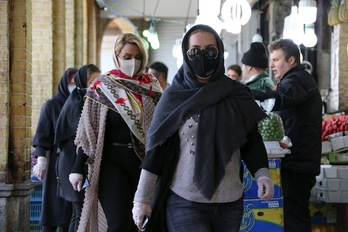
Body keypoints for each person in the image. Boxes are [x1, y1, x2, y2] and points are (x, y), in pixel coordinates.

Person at [131, 24, 274, 232]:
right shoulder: (174, 97)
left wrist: (262, 174)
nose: (203, 56)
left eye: (210, 50)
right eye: (195, 51)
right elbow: (157, 149)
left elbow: (252, 141)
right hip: (184, 200)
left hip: (230, 201)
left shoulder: (236, 94)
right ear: (186, 54)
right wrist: (142, 199)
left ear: (219, 53)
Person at [68, 33, 162, 232]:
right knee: (118, 222)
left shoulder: (152, 87)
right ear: (117, 56)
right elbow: (88, 131)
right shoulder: (102, 87)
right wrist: (77, 167)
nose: (132, 62)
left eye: (137, 57)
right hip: (111, 163)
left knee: (142, 223)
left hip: (145, 164)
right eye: (127, 57)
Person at [251, 38, 322, 232]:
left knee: (295, 218)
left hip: (298, 164)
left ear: (291, 60)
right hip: (297, 162)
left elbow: (281, 98)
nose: (271, 65)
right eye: (271, 59)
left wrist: (250, 95)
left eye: (276, 59)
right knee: (293, 216)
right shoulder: (295, 79)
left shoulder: (297, 80)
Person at [55, 64, 101, 232]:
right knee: (78, 211)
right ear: (83, 82)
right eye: (93, 81)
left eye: (99, 80)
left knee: (80, 210)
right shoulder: (78, 102)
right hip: (71, 163)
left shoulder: (84, 99)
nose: (97, 85)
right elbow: (83, 136)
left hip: (75, 162)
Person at [32, 67, 77, 232]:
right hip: (54, 164)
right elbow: (42, 136)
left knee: (70, 212)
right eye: (70, 80)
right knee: (52, 208)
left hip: (74, 164)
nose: (73, 84)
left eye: (75, 80)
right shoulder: (51, 105)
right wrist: (41, 159)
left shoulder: (80, 106)